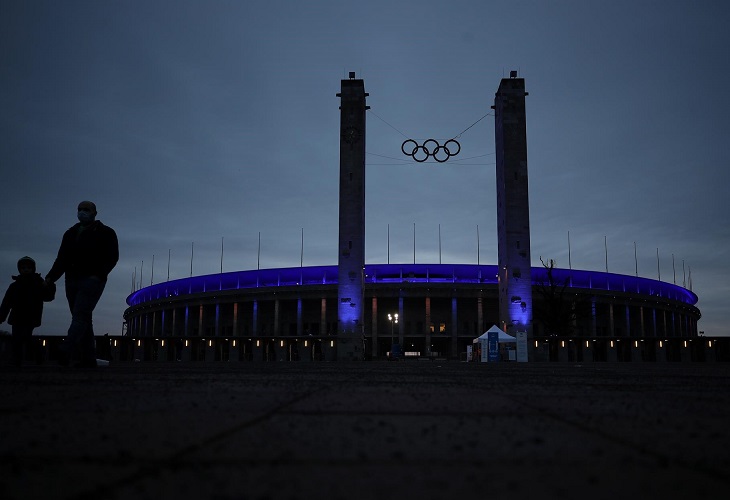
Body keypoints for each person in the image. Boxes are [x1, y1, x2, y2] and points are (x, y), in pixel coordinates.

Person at [45, 201, 119, 368]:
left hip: (92, 280)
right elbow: (62, 259)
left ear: (95, 212)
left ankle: (66, 348)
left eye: (86, 209)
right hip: (71, 279)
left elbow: (112, 257)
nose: (82, 212)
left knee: (80, 314)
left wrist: (98, 275)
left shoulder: (105, 232)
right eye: (79, 209)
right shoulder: (70, 233)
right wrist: (51, 277)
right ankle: (88, 358)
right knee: (84, 317)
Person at [0, 256, 55, 367]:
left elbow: (48, 297)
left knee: (26, 337)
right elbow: (6, 303)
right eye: (23, 268)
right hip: (17, 316)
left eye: (29, 267)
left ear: (33, 269)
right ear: (19, 269)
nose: (26, 270)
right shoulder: (14, 286)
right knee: (17, 339)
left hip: (31, 316)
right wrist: (1, 316)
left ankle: (38, 356)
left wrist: (50, 286)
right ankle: (17, 360)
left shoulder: (38, 283)